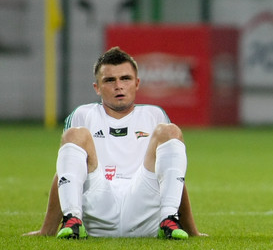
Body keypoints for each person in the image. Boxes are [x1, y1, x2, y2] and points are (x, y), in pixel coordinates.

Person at [25, 47, 201, 239]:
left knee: (170, 131)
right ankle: (72, 221)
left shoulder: (154, 115)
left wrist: (193, 232)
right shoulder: (83, 114)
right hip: (100, 204)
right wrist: (46, 230)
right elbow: (65, 173)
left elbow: (171, 175)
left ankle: (169, 221)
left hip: (143, 206)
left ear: (137, 83)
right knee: (75, 135)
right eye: (110, 80)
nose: (119, 86)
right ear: (97, 87)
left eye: (125, 79)